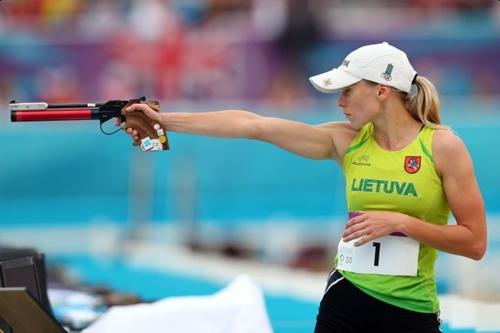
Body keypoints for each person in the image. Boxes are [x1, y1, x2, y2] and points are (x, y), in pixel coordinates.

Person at [120, 42, 487, 333]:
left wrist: (401, 222)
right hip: (345, 299)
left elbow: (475, 243)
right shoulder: (346, 141)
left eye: (348, 90)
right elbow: (252, 125)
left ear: (382, 90)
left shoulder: (441, 147)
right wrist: (164, 121)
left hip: (411, 310)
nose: (339, 102)